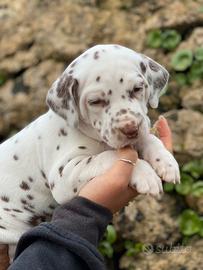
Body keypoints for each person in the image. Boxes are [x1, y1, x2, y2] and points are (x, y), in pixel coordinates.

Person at [7, 116, 173, 270]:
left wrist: (150, 146)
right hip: (12, 233)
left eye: (136, 91)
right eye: (96, 102)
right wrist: (89, 211)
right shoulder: (62, 129)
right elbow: (63, 187)